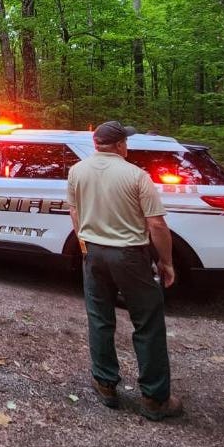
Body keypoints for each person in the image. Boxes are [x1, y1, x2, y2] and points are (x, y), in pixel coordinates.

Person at [66, 120, 184, 421]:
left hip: (93, 252)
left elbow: (75, 211)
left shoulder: (77, 171)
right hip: (130, 255)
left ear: (96, 145)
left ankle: (105, 383)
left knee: (99, 317)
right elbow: (156, 223)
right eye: (126, 142)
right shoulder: (136, 176)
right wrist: (166, 262)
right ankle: (155, 399)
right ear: (120, 145)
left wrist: (84, 244)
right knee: (147, 322)